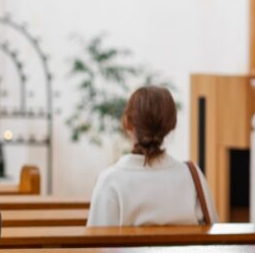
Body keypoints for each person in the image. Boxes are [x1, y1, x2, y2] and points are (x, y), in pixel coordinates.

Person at [87, 85, 218, 226]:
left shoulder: (110, 181)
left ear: (127, 123)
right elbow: (214, 231)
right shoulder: (193, 176)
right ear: (172, 125)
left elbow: (96, 244)